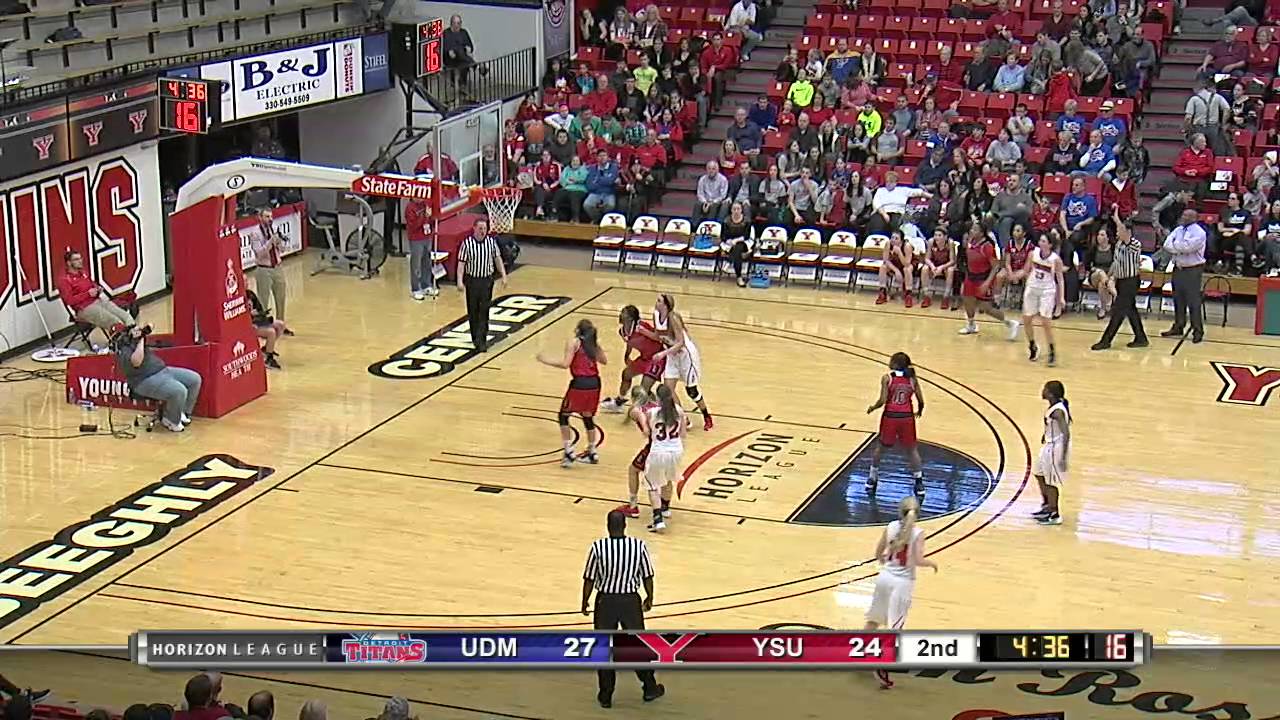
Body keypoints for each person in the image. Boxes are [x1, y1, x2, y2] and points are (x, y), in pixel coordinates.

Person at [580, 510, 665, 709]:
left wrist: (585, 601)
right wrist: (649, 597)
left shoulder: (598, 548)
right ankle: (649, 687)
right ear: (625, 526)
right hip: (630, 602)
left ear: (608, 526)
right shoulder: (638, 546)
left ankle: (606, 696)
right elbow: (647, 576)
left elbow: (589, 578)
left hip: (606, 602)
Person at [863, 495, 939, 689]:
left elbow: (878, 554)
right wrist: (932, 563)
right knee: (894, 630)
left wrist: (886, 560)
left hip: (884, 578)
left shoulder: (890, 526)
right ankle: (881, 666)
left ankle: (860, 653)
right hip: (902, 584)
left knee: (873, 620)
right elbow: (919, 560)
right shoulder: (918, 532)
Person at [538, 319, 608, 467]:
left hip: (580, 384)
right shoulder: (592, 344)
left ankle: (569, 451)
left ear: (578, 330)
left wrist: (545, 361)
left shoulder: (574, 343)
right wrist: (596, 346)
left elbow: (565, 364)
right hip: (595, 383)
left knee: (563, 416)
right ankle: (592, 451)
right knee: (588, 417)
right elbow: (604, 361)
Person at [112, 323, 202, 433]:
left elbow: (150, 325)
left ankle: (181, 412)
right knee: (179, 391)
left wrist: (144, 331)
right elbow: (136, 362)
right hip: (144, 380)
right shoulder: (124, 349)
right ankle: (171, 421)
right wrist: (141, 340)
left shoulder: (134, 340)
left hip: (162, 370)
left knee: (194, 379)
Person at [864, 351, 926, 497]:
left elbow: (883, 400)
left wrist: (873, 407)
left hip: (891, 417)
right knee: (912, 450)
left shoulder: (887, 378)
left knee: (881, 448)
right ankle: (919, 482)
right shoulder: (912, 379)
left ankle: (873, 477)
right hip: (907, 418)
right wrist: (919, 411)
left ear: (895, 364)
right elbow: (921, 400)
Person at [652, 294, 713, 431]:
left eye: (659, 300)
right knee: (668, 390)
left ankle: (706, 416)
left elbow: (681, 343)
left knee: (692, 391)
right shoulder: (656, 316)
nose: (656, 302)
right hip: (672, 356)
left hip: (686, 355)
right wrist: (642, 331)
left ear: (666, 305)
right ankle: (683, 419)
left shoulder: (673, 318)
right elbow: (657, 336)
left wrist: (662, 353)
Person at [1091, 206, 1149, 350]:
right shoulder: (1118, 244)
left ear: (1128, 233)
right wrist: (1111, 278)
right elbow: (1116, 263)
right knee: (1131, 310)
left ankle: (1106, 340)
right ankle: (1141, 338)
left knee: (1117, 312)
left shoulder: (1134, 244)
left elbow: (1124, 232)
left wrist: (1118, 220)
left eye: (1119, 231)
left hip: (1131, 281)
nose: (1117, 233)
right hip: (1121, 281)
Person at [958, 223, 1021, 338]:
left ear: (982, 233)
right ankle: (971, 324)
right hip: (971, 276)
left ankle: (1011, 323)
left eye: (975, 230)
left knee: (986, 308)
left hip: (983, 278)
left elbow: (996, 266)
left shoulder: (987, 246)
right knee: (967, 299)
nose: (972, 231)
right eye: (972, 229)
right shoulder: (970, 242)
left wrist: (987, 282)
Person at [456, 218, 508, 352]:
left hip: (486, 281)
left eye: (484, 229)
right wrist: (460, 281)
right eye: (480, 228)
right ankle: (475, 338)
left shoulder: (491, 243)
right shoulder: (466, 244)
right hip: (472, 281)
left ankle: (482, 340)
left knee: (484, 310)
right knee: (473, 311)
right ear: (474, 228)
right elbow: (461, 264)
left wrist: (503, 275)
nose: (482, 231)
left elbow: (498, 259)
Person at [639, 384, 686, 532]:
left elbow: (646, 432)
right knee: (668, 479)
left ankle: (658, 519)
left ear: (658, 398)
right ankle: (665, 508)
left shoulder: (652, 413)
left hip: (659, 452)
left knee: (652, 485)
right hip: (676, 451)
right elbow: (683, 433)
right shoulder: (679, 411)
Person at [602, 305, 664, 412]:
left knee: (643, 389)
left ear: (630, 318)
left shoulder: (641, 327)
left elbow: (658, 337)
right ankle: (619, 402)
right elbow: (629, 342)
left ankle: (658, 408)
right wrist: (627, 355)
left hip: (657, 358)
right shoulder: (622, 332)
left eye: (623, 313)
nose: (620, 315)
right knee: (626, 374)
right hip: (644, 358)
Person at [56, 249, 136, 332]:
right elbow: (69, 300)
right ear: (69, 263)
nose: (80, 261)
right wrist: (88, 294)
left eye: (80, 258)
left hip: (98, 301)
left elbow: (92, 284)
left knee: (125, 316)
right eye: (76, 259)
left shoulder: (83, 273)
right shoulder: (64, 280)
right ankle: (125, 340)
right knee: (115, 321)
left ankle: (136, 334)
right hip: (84, 308)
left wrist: (98, 289)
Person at [1159, 208, 1207, 344]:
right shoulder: (1178, 229)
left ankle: (1197, 331)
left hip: (1193, 270)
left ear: (1194, 218)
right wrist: (1177, 247)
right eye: (1183, 214)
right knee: (1178, 299)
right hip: (1178, 268)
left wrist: (1176, 246)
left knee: (1193, 301)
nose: (1184, 217)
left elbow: (1188, 248)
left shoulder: (1199, 233)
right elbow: (1167, 244)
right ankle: (1178, 326)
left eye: (1187, 215)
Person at [1021, 233, 1066, 366]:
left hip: (1047, 290)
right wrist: (1015, 275)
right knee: (1027, 319)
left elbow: (1060, 279)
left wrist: (1061, 298)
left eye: (1043, 241)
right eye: (1040, 240)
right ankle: (1032, 345)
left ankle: (1052, 350)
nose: (1040, 243)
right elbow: (1025, 270)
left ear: (1050, 244)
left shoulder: (1055, 259)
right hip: (1032, 287)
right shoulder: (1032, 254)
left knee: (1046, 321)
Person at [617, 385, 659, 519]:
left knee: (633, 470)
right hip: (666, 444)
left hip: (654, 446)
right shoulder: (655, 405)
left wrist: (644, 425)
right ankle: (664, 506)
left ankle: (633, 506)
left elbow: (639, 414)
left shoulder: (636, 410)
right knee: (665, 477)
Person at [1033, 380, 1071, 526]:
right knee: (1038, 473)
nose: (1042, 391)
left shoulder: (1058, 411)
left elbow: (1066, 434)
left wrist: (1063, 457)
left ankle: (1054, 514)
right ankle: (1047, 505)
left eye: (1045, 389)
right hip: (1049, 445)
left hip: (1056, 448)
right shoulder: (1054, 407)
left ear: (1050, 393)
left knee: (1051, 481)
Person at [246, 289, 287, 369]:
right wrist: (250, 316)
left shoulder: (250, 294)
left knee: (280, 325)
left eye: (247, 281)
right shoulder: (237, 297)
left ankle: (267, 349)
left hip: (257, 321)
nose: (246, 283)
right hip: (248, 325)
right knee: (271, 332)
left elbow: (259, 309)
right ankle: (269, 359)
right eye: (244, 281)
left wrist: (261, 315)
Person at [876, 231, 918, 307]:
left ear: (901, 240)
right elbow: (885, 260)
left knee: (907, 269)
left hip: (909, 263)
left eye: (896, 238)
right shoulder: (888, 244)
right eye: (892, 237)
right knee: (883, 267)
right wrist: (896, 270)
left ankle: (908, 294)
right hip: (895, 263)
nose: (893, 240)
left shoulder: (907, 246)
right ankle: (883, 292)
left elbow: (907, 263)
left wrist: (899, 253)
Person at [920, 229, 956, 309]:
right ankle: (927, 296)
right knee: (924, 268)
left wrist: (942, 267)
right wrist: (932, 266)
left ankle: (946, 297)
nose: (937, 237)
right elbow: (927, 258)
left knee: (950, 270)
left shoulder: (950, 243)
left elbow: (952, 261)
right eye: (935, 235)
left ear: (945, 237)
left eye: (939, 235)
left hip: (946, 265)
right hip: (934, 265)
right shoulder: (931, 242)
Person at [443, 15, 478, 85]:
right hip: (451, 58)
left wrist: (469, 49)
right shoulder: (446, 33)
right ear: (451, 24)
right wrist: (448, 51)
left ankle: (461, 83)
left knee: (463, 60)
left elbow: (470, 46)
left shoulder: (464, 32)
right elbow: (443, 47)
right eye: (454, 23)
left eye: (458, 23)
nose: (456, 25)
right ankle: (476, 66)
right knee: (459, 51)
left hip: (463, 56)